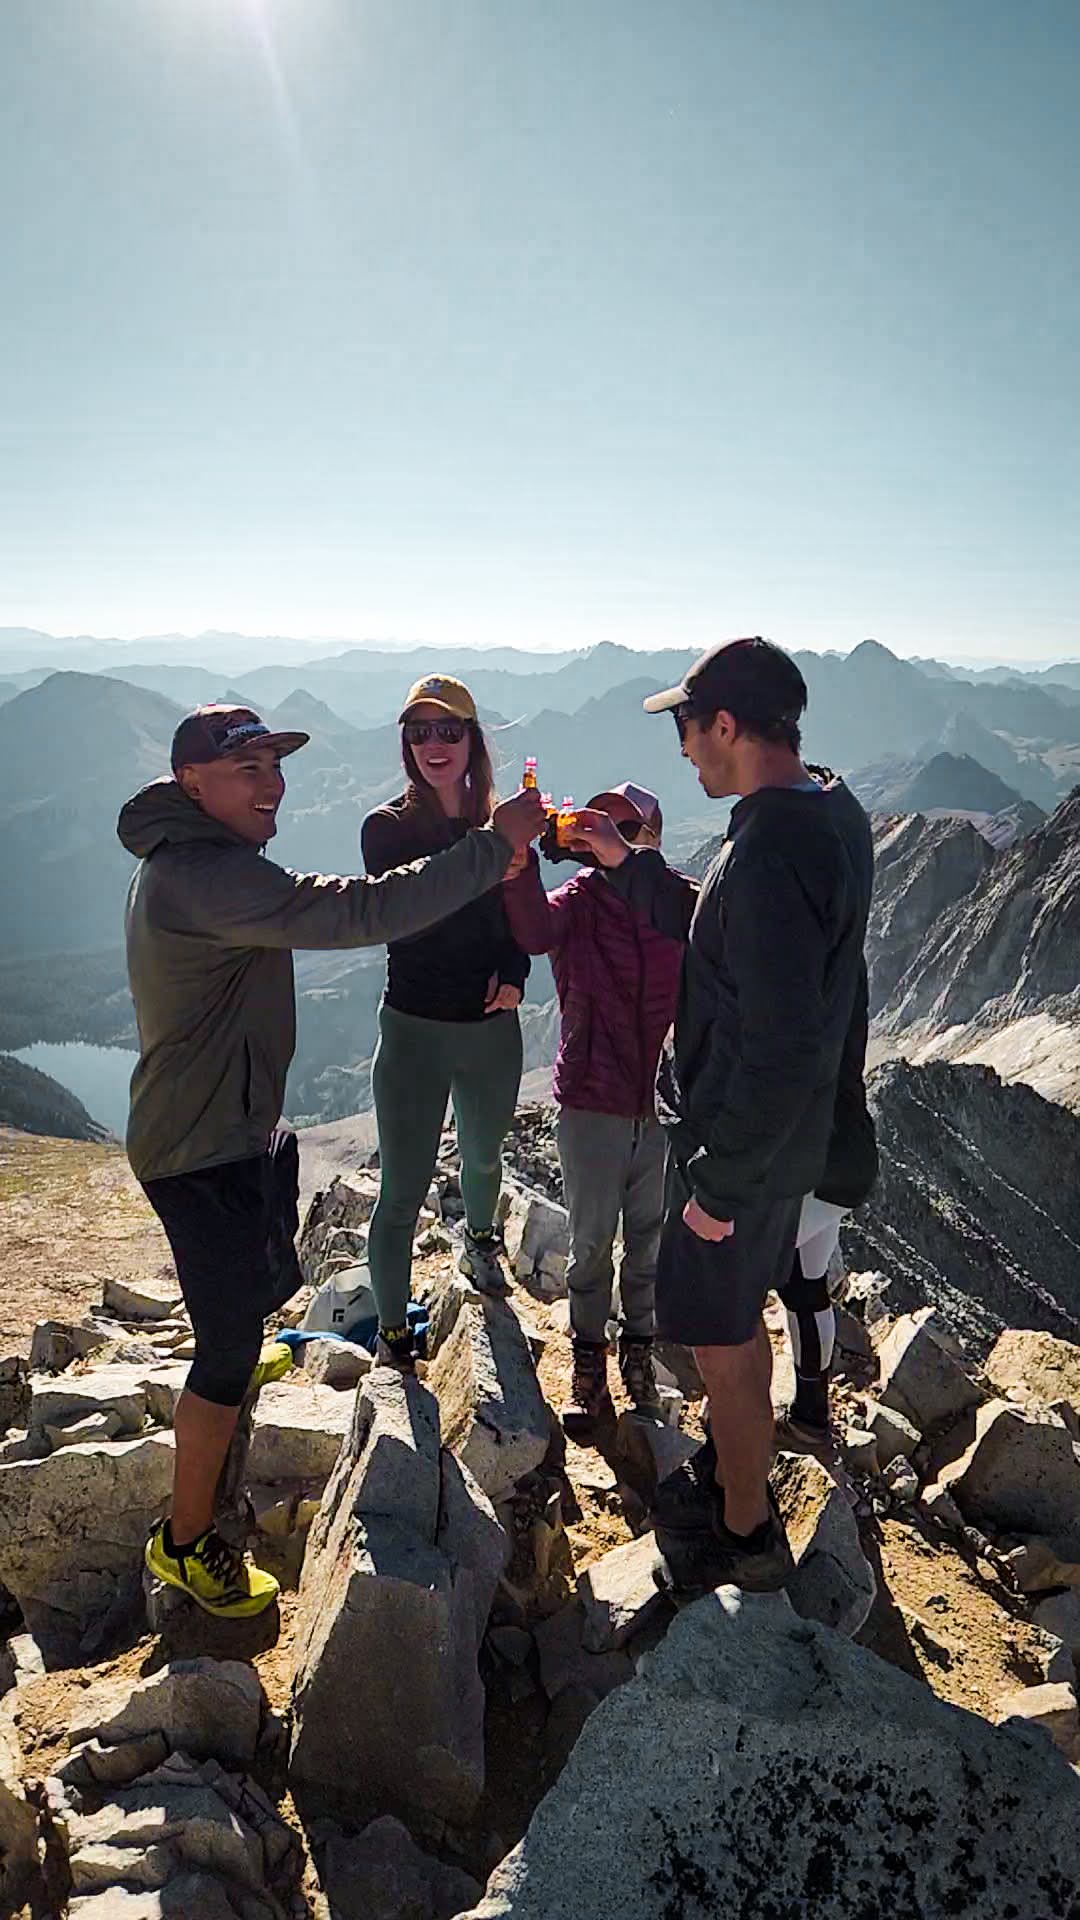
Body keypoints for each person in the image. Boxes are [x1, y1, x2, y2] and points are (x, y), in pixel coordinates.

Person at [119, 702, 544, 1619]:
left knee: (255, 1293)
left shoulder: (204, 857)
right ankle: (187, 1542)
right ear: (191, 783)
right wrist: (490, 846)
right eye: (249, 769)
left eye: (275, 763)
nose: (272, 781)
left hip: (237, 1126)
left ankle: (240, 1354)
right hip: (199, 1148)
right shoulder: (200, 879)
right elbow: (360, 910)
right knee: (225, 1348)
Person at [573, 637, 874, 1594]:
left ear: (730, 726)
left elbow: (781, 1047)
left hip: (747, 1156)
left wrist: (717, 1187)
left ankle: (744, 1529)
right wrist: (631, 870)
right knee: (734, 1322)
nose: (684, 751)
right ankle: (735, 1473)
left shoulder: (772, 847)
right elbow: (744, 936)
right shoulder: (825, 808)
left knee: (720, 1334)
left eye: (689, 728)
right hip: (783, 1149)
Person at [503, 782, 683, 1433]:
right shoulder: (579, 901)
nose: (612, 835)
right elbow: (530, 930)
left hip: (662, 1109)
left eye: (628, 827)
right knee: (589, 1249)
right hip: (593, 1103)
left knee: (649, 1246)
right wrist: (520, 864)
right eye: (603, 823)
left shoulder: (674, 903)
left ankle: (637, 1356)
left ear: (652, 842)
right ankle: (589, 1366)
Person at [361, 675, 531, 1363]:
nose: (434, 744)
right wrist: (497, 843)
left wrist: (517, 974)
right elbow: (415, 911)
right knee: (401, 1190)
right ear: (406, 744)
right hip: (414, 1033)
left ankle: (483, 1242)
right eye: (419, 732)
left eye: (448, 729)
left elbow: (520, 918)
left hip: (491, 1029)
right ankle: (394, 1333)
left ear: (471, 739)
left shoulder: (501, 826)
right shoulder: (386, 829)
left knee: (485, 1154)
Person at [776, 961, 878, 1451]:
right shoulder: (846, 956)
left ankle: (739, 1422)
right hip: (845, 1149)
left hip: (801, 1153)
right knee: (807, 1283)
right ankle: (812, 1415)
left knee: (741, 1277)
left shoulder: (792, 950)